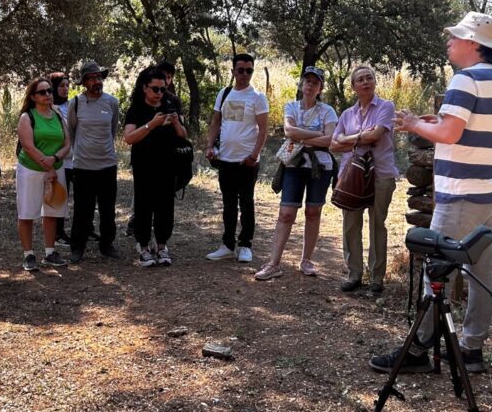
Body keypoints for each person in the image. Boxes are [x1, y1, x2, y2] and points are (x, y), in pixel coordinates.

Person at [370, 12, 492, 375]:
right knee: (481, 271)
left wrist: (417, 124)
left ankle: (419, 349)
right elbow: (467, 129)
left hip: (462, 194)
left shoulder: (465, 80)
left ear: (473, 44)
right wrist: (435, 124)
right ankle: (471, 348)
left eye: (456, 37)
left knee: (437, 272)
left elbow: (450, 135)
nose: (449, 41)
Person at [255, 66, 338, 281]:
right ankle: (273, 263)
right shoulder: (291, 107)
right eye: (307, 81)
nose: (310, 85)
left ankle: (306, 260)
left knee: (313, 212)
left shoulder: (327, 111)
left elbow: (330, 139)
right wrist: (316, 135)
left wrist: (301, 138)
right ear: (302, 84)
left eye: (315, 82)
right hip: (294, 165)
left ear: (320, 88)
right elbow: (288, 131)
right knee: (286, 213)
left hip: (320, 168)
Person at [330, 65, 400, 294]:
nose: (366, 81)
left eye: (369, 77)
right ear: (353, 86)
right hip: (351, 178)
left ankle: (377, 278)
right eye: (360, 79)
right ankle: (354, 274)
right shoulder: (346, 114)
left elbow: (376, 135)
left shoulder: (386, 107)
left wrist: (348, 139)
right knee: (351, 225)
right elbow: (333, 144)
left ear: (375, 82)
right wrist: (361, 137)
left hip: (381, 174)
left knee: (377, 224)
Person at [204, 53, 269, 262]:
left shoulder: (257, 97)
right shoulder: (224, 94)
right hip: (226, 159)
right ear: (233, 71)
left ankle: (245, 245)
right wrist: (209, 146)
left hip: (247, 161)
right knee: (228, 203)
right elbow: (216, 123)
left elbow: (263, 130)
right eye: (240, 70)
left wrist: (254, 155)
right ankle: (227, 244)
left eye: (249, 70)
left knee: (247, 202)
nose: (244, 74)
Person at [123, 66, 188, 267]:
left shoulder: (171, 103)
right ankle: (143, 247)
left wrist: (176, 122)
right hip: (144, 165)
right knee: (144, 206)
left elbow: (184, 136)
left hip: (168, 164)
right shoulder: (136, 108)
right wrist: (152, 124)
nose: (159, 93)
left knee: (165, 207)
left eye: (162, 88)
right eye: (155, 89)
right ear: (144, 88)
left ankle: (161, 246)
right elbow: (128, 138)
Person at [67, 61, 121, 263]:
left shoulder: (112, 102)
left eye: (99, 77)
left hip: (107, 164)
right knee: (82, 209)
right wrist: (80, 152)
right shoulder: (76, 103)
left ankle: (107, 245)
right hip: (83, 166)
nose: (97, 81)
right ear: (84, 82)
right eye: (92, 78)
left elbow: (112, 131)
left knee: (108, 209)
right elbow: (71, 132)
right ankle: (77, 247)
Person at [16, 77, 71, 271]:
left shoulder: (57, 115)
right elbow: (28, 146)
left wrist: (55, 159)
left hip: (56, 168)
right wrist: (48, 166)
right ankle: (28, 254)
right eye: (42, 92)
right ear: (33, 97)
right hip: (31, 169)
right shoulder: (27, 117)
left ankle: (50, 252)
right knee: (27, 212)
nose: (47, 94)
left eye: (49, 91)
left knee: (52, 209)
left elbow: (67, 143)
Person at [49, 72, 73, 246]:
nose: (65, 89)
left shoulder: (73, 105)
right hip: (58, 159)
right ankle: (57, 233)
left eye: (67, 85)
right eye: (61, 86)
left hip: (75, 158)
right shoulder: (49, 107)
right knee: (59, 195)